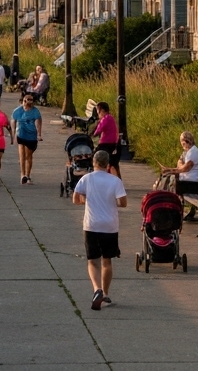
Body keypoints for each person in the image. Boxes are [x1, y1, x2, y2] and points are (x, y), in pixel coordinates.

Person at [72, 150, 127, 310]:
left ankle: (97, 289)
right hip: (109, 225)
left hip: (92, 224)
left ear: (93, 163)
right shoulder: (115, 181)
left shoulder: (86, 179)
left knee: (92, 261)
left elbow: (76, 199)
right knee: (107, 261)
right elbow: (123, 203)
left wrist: (87, 202)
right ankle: (106, 294)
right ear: (108, 164)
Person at [160, 132, 198, 219]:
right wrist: (173, 169)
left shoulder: (193, 152)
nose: (182, 146)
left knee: (170, 180)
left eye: (183, 143)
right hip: (189, 182)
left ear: (188, 141)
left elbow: (185, 169)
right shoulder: (187, 151)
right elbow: (179, 163)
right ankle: (169, 206)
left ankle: (170, 208)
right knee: (169, 179)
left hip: (193, 185)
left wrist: (169, 170)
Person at [10, 92, 43, 184]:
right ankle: (22, 175)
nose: (26, 103)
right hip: (21, 135)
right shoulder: (18, 111)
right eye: (25, 101)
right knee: (21, 156)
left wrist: (39, 135)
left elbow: (38, 123)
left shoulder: (35, 111)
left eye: (29, 101)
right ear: (22, 101)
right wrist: (13, 135)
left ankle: (28, 175)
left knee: (28, 156)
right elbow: (13, 122)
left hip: (31, 136)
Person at [90, 102, 121, 178]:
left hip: (106, 144)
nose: (97, 113)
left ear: (102, 110)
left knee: (94, 157)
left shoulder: (106, 118)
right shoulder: (110, 117)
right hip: (112, 144)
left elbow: (98, 131)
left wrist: (91, 135)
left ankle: (97, 175)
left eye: (98, 111)